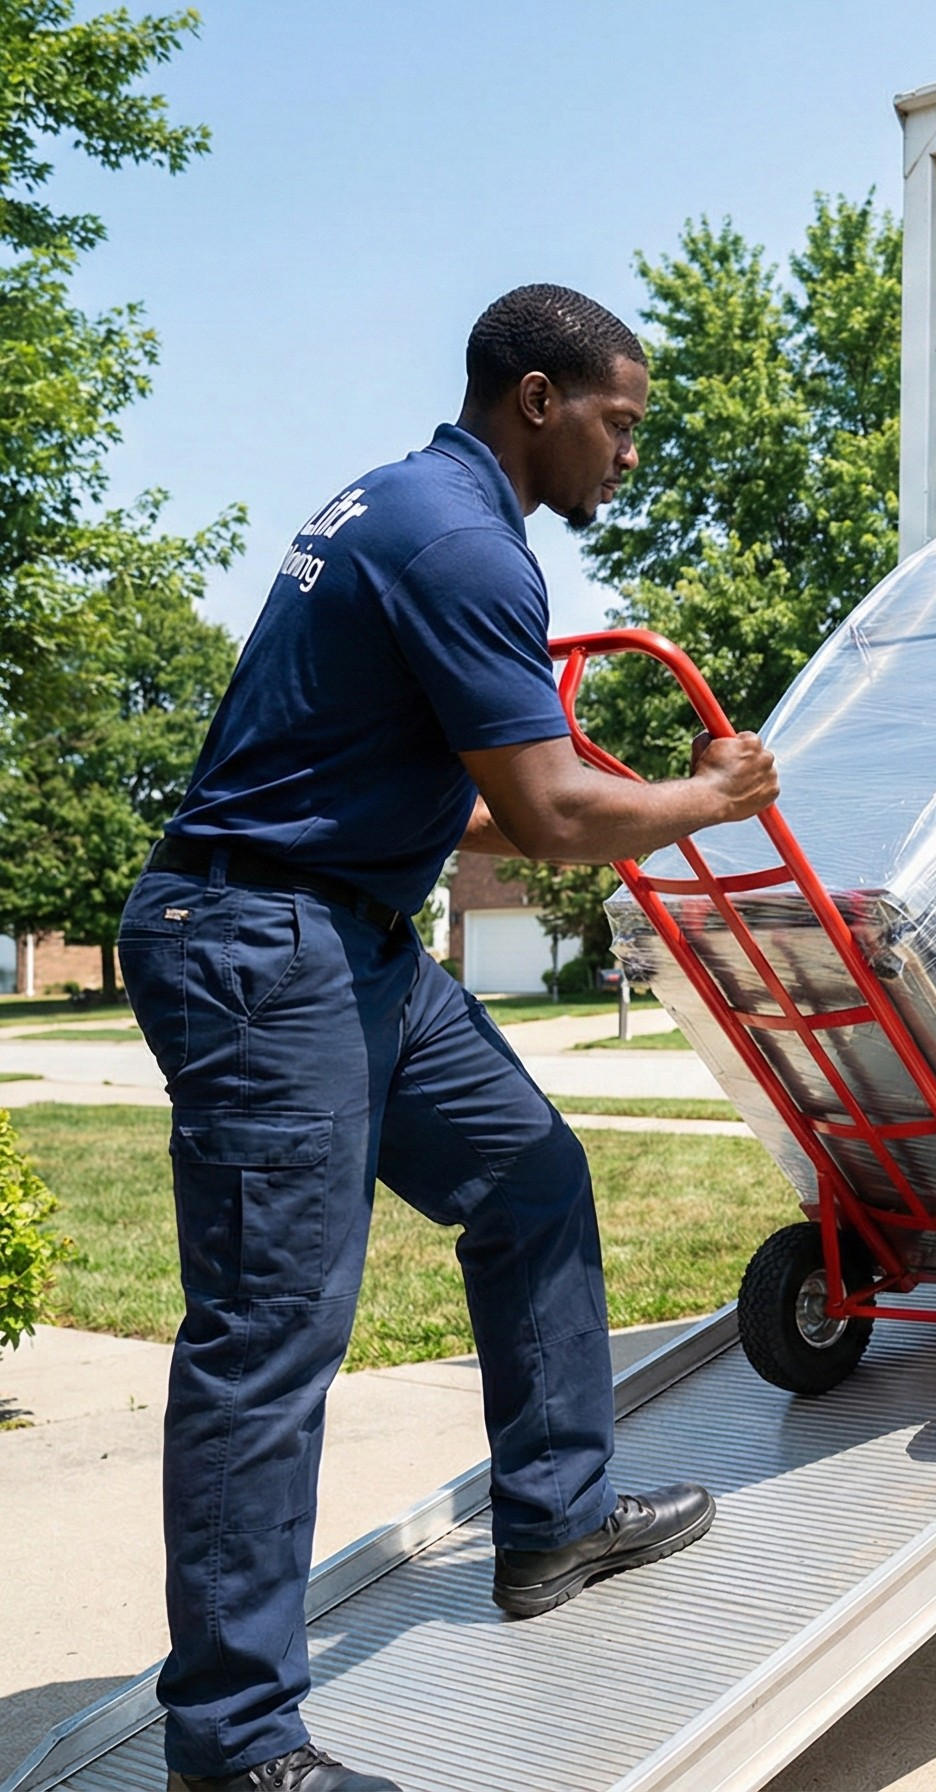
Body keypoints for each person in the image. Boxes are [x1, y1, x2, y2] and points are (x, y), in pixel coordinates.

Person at [118, 285, 781, 1792]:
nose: (630, 454)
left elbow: (463, 802)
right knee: (266, 1339)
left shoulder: (416, 509)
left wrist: (649, 809)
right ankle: (231, 1745)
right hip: (259, 947)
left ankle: (553, 1519)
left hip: (347, 931)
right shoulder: (465, 542)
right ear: (536, 400)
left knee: (530, 1177)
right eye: (618, 422)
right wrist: (708, 799)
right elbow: (549, 819)